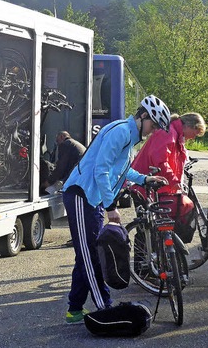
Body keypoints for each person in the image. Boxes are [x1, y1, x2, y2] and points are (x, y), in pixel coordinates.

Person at [61, 95, 170, 324]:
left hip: (93, 198)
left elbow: (121, 170)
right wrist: (111, 207)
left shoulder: (129, 136)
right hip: (82, 194)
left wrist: (145, 178)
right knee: (90, 256)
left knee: (86, 255)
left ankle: (74, 310)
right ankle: (105, 307)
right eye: (153, 125)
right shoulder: (121, 132)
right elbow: (101, 169)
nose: (152, 131)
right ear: (143, 116)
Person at [130, 112, 207, 239]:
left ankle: (157, 256)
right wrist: (175, 180)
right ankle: (144, 258)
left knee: (153, 229)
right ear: (190, 126)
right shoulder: (168, 132)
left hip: (153, 186)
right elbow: (160, 161)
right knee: (147, 230)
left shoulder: (174, 133)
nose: (194, 137)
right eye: (196, 132)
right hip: (144, 185)